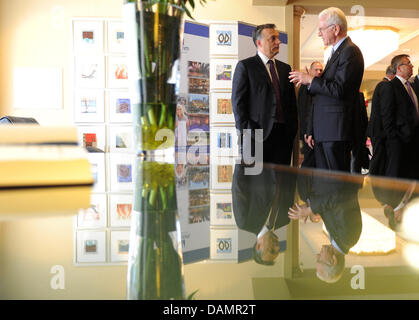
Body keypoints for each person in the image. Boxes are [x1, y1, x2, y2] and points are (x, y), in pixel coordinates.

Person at [289, 7, 364, 172]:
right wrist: (312, 130)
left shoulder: (350, 51)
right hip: (327, 131)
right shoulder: (337, 52)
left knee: (336, 189)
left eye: (321, 29)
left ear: (335, 29)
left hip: (335, 132)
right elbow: (323, 96)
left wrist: (311, 80)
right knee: (327, 187)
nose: (319, 34)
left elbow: (339, 90)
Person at [232, 24, 297, 165]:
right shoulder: (246, 66)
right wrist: (247, 132)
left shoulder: (285, 69)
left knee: (282, 183)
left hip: (283, 137)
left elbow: (292, 103)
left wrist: (292, 131)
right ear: (259, 43)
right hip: (256, 136)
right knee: (257, 184)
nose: (278, 42)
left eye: (278, 38)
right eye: (273, 38)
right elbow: (238, 103)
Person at [288, 172, 363, 283]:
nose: (317, 255)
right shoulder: (349, 238)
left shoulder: (336, 239)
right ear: (333, 261)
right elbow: (340, 197)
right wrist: (311, 209)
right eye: (320, 260)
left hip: (325, 175)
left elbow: (330, 208)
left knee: (304, 194)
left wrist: (311, 210)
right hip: (333, 171)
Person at [232, 163, 296, 265]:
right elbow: (291, 184)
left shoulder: (244, 222)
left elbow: (238, 187)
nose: (278, 247)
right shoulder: (285, 219)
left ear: (258, 246)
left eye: (272, 250)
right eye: (277, 250)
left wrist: (244, 158)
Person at [297, 61, 323, 168]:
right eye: (316, 70)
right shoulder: (305, 87)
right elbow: (305, 111)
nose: (319, 72)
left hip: (317, 132)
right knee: (309, 163)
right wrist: (308, 132)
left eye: (321, 70)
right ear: (310, 71)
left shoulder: (318, 87)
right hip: (310, 134)